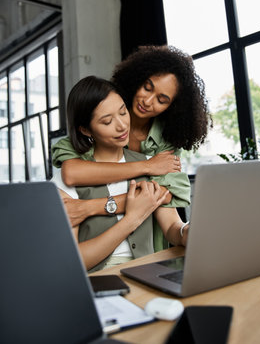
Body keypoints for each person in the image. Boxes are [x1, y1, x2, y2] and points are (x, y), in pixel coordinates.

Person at [52, 45, 211, 249]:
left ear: (173, 107)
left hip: (147, 242)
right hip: (97, 246)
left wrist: (89, 207)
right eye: (147, 87)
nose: (147, 100)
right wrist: (148, 166)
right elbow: (72, 173)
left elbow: (165, 196)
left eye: (162, 100)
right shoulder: (99, 121)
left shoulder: (166, 141)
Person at [54, 76, 189, 272]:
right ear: (85, 129)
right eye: (107, 121)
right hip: (97, 279)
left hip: (148, 271)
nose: (122, 125)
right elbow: (75, 260)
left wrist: (186, 232)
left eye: (123, 112)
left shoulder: (153, 165)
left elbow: (171, 228)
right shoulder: (66, 180)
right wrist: (131, 219)